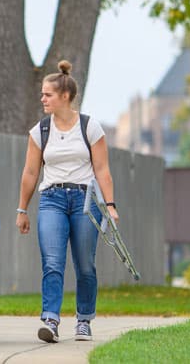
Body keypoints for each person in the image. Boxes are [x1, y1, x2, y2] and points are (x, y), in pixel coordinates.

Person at [15, 60, 118, 343]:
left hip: (85, 201)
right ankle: (51, 318)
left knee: (85, 264)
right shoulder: (40, 131)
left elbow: (102, 170)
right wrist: (22, 208)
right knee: (52, 262)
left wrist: (110, 205)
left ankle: (84, 320)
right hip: (51, 200)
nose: (43, 99)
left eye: (48, 94)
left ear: (65, 96)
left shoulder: (90, 127)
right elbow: (31, 172)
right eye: (42, 94)